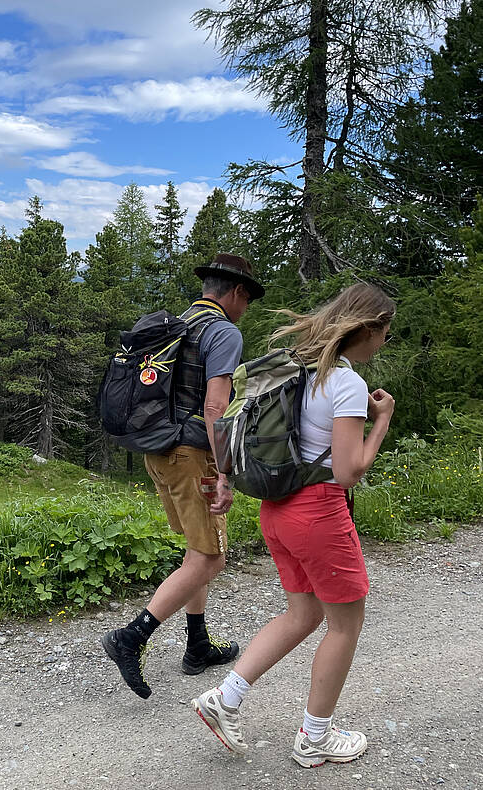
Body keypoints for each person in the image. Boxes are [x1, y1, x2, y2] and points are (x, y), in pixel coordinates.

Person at [191, 282, 396, 768]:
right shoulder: (346, 384)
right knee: (346, 625)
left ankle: (226, 697)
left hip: (277, 510)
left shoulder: (294, 369)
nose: (385, 342)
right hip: (320, 510)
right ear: (366, 328)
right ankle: (315, 737)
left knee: (303, 615)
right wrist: (381, 420)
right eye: (385, 332)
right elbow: (350, 471)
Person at [102, 254, 265, 699]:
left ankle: (197, 646)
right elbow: (216, 408)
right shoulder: (223, 332)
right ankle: (130, 637)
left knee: (198, 550)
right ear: (235, 293)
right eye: (246, 300)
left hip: (158, 451)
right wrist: (226, 472)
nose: (244, 308)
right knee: (211, 559)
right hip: (193, 455)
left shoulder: (177, 325)